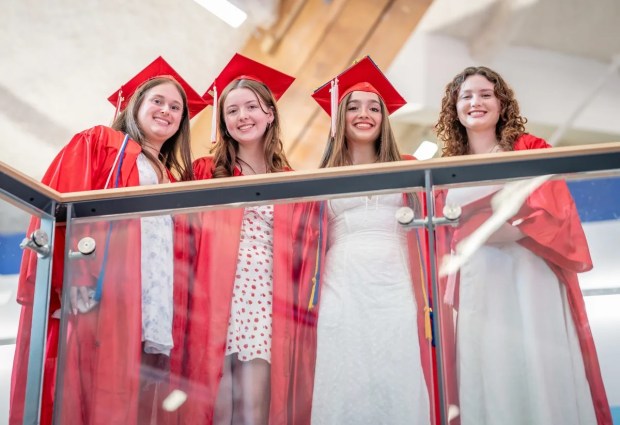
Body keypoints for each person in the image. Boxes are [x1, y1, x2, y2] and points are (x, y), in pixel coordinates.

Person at [9, 56, 208, 425]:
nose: (166, 110)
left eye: (176, 107)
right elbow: (64, 204)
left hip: (154, 307)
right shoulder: (102, 143)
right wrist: (77, 277)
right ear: (136, 106)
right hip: (106, 295)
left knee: (137, 399)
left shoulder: (173, 179)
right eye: (157, 101)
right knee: (88, 389)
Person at [434, 65, 612, 425]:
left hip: (528, 274)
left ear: (502, 104)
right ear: (454, 108)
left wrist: (470, 227)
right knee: (488, 365)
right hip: (477, 278)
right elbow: (442, 231)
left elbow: (547, 213)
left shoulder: (528, 148)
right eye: (466, 96)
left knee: (537, 361)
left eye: (486, 94)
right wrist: (480, 225)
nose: (476, 102)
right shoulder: (445, 167)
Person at [292, 56, 434, 425]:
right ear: (339, 118)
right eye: (352, 106)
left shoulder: (406, 168)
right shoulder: (324, 177)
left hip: (396, 284)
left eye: (373, 107)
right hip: (342, 284)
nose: (363, 114)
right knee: (344, 374)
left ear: (384, 119)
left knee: (397, 371)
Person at [181, 53, 297, 425]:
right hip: (212, 293)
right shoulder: (204, 171)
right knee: (215, 399)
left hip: (264, 297)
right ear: (223, 121)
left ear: (270, 114)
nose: (242, 116)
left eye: (251, 106)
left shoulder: (290, 178)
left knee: (253, 406)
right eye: (232, 111)